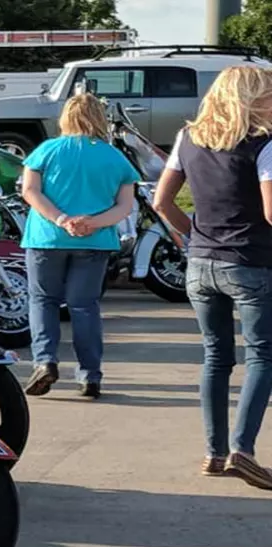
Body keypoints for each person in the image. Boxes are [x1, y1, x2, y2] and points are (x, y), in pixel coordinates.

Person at [153, 66, 272, 490]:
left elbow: (162, 201)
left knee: (216, 357)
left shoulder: (189, 138)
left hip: (201, 262)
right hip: (253, 261)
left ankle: (214, 452)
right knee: (262, 355)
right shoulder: (265, 144)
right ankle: (244, 449)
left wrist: (194, 236)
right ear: (255, 97)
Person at [20, 93, 140, 399]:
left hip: (46, 238)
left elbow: (30, 192)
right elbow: (125, 207)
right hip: (95, 240)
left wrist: (62, 220)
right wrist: (92, 222)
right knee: (84, 306)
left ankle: (45, 361)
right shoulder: (115, 158)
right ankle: (90, 375)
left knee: (43, 300)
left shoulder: (46, 151)